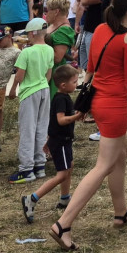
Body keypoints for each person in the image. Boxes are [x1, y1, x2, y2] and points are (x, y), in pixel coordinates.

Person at [50, 0, 127, 249]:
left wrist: (84, 103)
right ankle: (63, 223)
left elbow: (90, 69)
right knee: (104, 165)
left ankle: (121, 212)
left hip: (99, 102)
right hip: (115, 106)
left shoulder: (99, 31)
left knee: (120, 154)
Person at [24, 65, 82, 222]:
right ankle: (32, 198)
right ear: (64, 85)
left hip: (61, 140)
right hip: (61, 142)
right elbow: (60, 120)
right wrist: (77, 117)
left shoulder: (61, 97)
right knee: (62, 174)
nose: (77, 84)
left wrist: (48, 140)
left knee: (69, 166)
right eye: (75, 82)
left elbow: (53, 123)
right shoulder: (61, 99)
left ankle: (64, 199)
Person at [8, 17, 55, 184]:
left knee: (27, 129)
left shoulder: (26, 52)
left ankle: (26, 169)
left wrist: (13, 89)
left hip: (30, 92)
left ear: (32, 33)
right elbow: (49, 74)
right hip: (44, 89)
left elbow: (19, 75)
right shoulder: (50, 50)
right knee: (42, 127)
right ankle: (39, 165)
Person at [79, 0, 127, 81]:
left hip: (110, 32)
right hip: (100, 30)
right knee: (91, 62)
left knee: (100, 64)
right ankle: (89, 82)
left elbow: (86, 1)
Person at [44, 0, 76, 95]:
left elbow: (57, 57)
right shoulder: (52, 25)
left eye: (47, 10)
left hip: (54, 72)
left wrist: (39, 45)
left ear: (56, 11)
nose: (46, 14)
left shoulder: (64, 30)